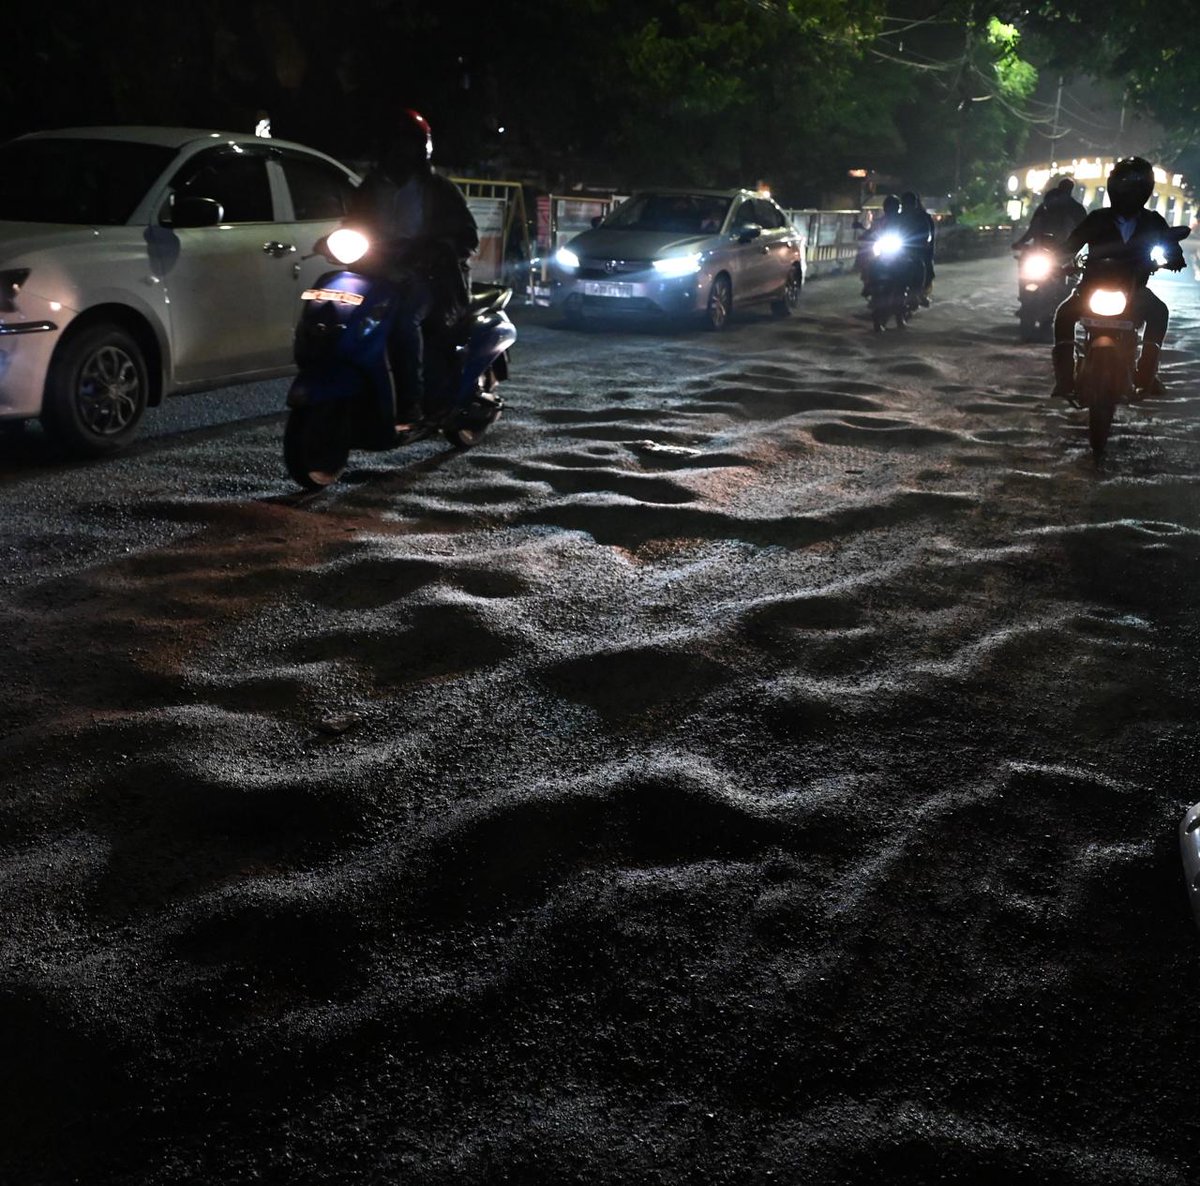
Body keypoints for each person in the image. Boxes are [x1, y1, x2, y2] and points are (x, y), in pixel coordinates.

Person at [345, 109, 479, 429]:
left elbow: (468, 237)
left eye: (407, 143)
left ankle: (411, 404)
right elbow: (353, 222)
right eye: (393, 143)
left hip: (427, 276)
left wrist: (437, 247)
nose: (399, 151)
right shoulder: (371, 187)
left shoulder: (439, 190)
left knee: (404, 321)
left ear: (421, 148)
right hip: (375, 272)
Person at [1049, 156, 1185, 398]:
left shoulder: (1153, 221)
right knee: (1064, 315)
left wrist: (1175, 258)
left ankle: (1147, 374)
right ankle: (1064, 379)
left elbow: (1170, 245)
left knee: (1159, 312)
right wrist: (1056, 260)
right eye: (1124, 184)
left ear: (1145, 190)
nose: (1128, 191)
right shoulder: (1097, 218)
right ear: (1114, 186)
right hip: (1090, 288)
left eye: (1134, 186)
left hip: (1134, 291)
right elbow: (1070, 246)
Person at [1013, 177, 1087, 249]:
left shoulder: (1074, 208)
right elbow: (1033, 228)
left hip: (1062, 251)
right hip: (1042, 249)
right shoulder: (1075, 207)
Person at [859, 194, 902, 297]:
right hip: (885, 250)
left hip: (902, 252)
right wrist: (866, 236)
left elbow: (911, 232)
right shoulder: (881, 221)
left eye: (893, 207)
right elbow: (873, 231)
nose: (890, 209)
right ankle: (868, 285)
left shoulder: (903, 221)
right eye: (889, 206)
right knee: (869, 263)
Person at [899, 190, 936, 305]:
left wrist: (925, 242)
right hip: (898, 250)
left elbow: (928, 235)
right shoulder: (897, 217)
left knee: (922, 266)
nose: (908, 205)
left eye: (910, 202)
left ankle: (919, 292)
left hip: (916, 250)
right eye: (906, 202)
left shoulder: (922, 218)